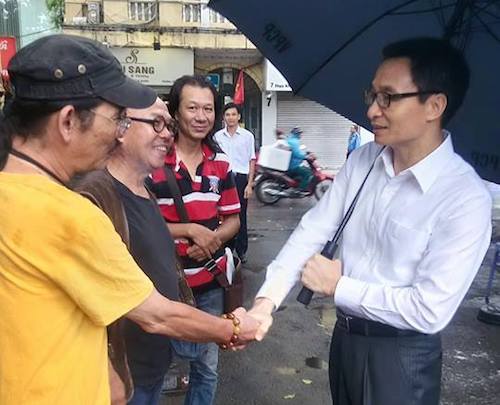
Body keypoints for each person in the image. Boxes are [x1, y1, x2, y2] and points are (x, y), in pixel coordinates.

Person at [0, 35, 259, 405]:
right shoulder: (67, 215)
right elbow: (157, 315)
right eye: (117, 118)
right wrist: (232, 327)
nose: (118, 132)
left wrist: (110, 372)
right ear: (69, 121)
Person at [249, 37, 492, 405]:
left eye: (388, 97)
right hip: (345, 341)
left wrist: (339, 286)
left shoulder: (464, 197)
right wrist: (265, 302)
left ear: (434, 105)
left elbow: (428, 309)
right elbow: (314, 230)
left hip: (402, 357)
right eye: (372, 95)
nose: (372, 110)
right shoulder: (365, 160)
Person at [148, 75, 240, 405]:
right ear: (175, 112)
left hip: (209, 283)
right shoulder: (153, 161)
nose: (201, 116)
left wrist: (212, 239)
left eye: (208, 109)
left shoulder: (221, 164)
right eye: (192, 108)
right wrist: (188, 230)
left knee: (206, 368)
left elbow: (233, 220)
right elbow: (140, 224)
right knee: (154, 367)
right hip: (163, 286)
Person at [214, 102, 256, 263]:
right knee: (224, 215)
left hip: (240, 179)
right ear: (224, 117)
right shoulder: (217, 137)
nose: (230, 117)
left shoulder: (247, 136)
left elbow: (252, 160)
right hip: (223, 179)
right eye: (227, 115)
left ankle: (241, 250)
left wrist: (249, 184)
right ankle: (227, 249)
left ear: (239, 117)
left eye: (233, 114)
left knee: (241, 215)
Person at [286, 126, 312, 191]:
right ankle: (301, 189)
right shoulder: (294, 142)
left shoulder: (291, 140)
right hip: (293, 165)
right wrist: (305, 156)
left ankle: (297, 184)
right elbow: (296, 153)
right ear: (296, 134)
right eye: (300, 133)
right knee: (307, 173)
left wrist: (305, 153)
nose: (301, 135)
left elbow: (297, 151)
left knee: (306, 169)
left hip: (291, 163)